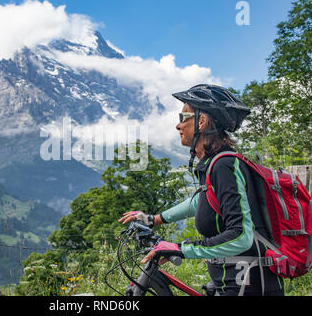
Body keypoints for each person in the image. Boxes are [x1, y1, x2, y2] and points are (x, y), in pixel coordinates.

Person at [119, 84, 285, 296]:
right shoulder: (216, 165)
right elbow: (203, 201)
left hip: (249, 287)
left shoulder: (224, 165)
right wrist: (154, 219)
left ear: (202, 121)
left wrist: (180, 248)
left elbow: (241, 236)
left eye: (183, 117)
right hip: (230, 283)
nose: (178, 126)